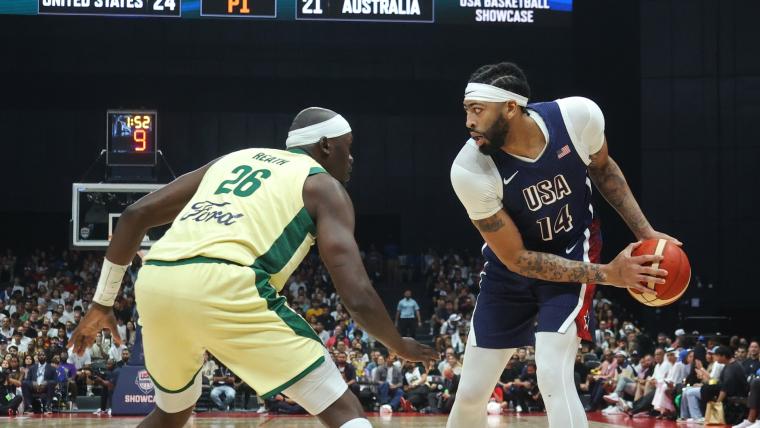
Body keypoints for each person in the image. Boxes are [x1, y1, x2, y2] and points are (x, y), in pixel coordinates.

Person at [69, 107, 435, 428]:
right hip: (227, 282)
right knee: (344, 409)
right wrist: (397, 343)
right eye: (348, 147)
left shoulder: (233, 159)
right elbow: (356, 296)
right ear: (325, 145)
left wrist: (102, 303)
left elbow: (134, 215)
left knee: (171, 414)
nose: (351, 158)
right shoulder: (323, 187)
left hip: (157, 280)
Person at [448, 61, 678, 428]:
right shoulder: (470, 170)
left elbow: (604, 169)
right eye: (466, 111)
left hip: (573, 251)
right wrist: (609, 274)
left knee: (552, 373)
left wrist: (646, 233)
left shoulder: (577, 117)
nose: (468, 122)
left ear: (511, 107)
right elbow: (518, 258)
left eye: (477, 110)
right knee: (471, 393)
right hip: (509, 271)